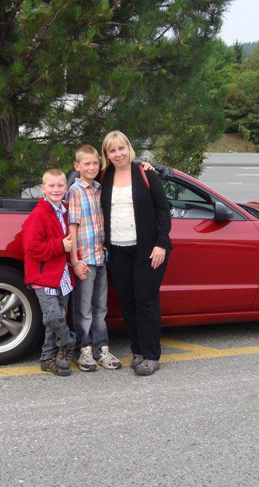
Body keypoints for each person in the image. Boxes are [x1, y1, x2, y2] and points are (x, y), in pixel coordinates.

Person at [99, 131, 172, 376]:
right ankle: (137, 351)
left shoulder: (145, 173)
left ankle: (151, 355)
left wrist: (161, 243)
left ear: (129, 148)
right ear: (106, 154)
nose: (118, 154)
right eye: (112, 150)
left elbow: (163, 209)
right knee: (128, 303)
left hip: (148, 251)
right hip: (117, 251)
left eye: (121, 148)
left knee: (146, 301)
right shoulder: (105, 175)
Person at [66, 145, 123, 371]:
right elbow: (72, 228)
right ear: (77, 166)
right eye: (87, 163)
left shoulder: (99, 189)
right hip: (85, 260)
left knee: (101, 307)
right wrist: (75, 261)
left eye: (95, 163)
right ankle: (84, 350)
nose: (92, 167)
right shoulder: (75, 191)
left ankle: (102, 349)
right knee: (83, 308)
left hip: (100, 257)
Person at [21, 168, 77, 377]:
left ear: (66, 187)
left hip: (62, 276)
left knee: (55, 318)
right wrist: (60, 246)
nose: (56, 189)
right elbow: (32, 248)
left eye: (60, 185)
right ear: (43, 189)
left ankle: (47, 357)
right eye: (51, 186)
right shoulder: (39, 214)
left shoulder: (64, 209)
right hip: (44, 276)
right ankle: (70, 341)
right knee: (53, 316)